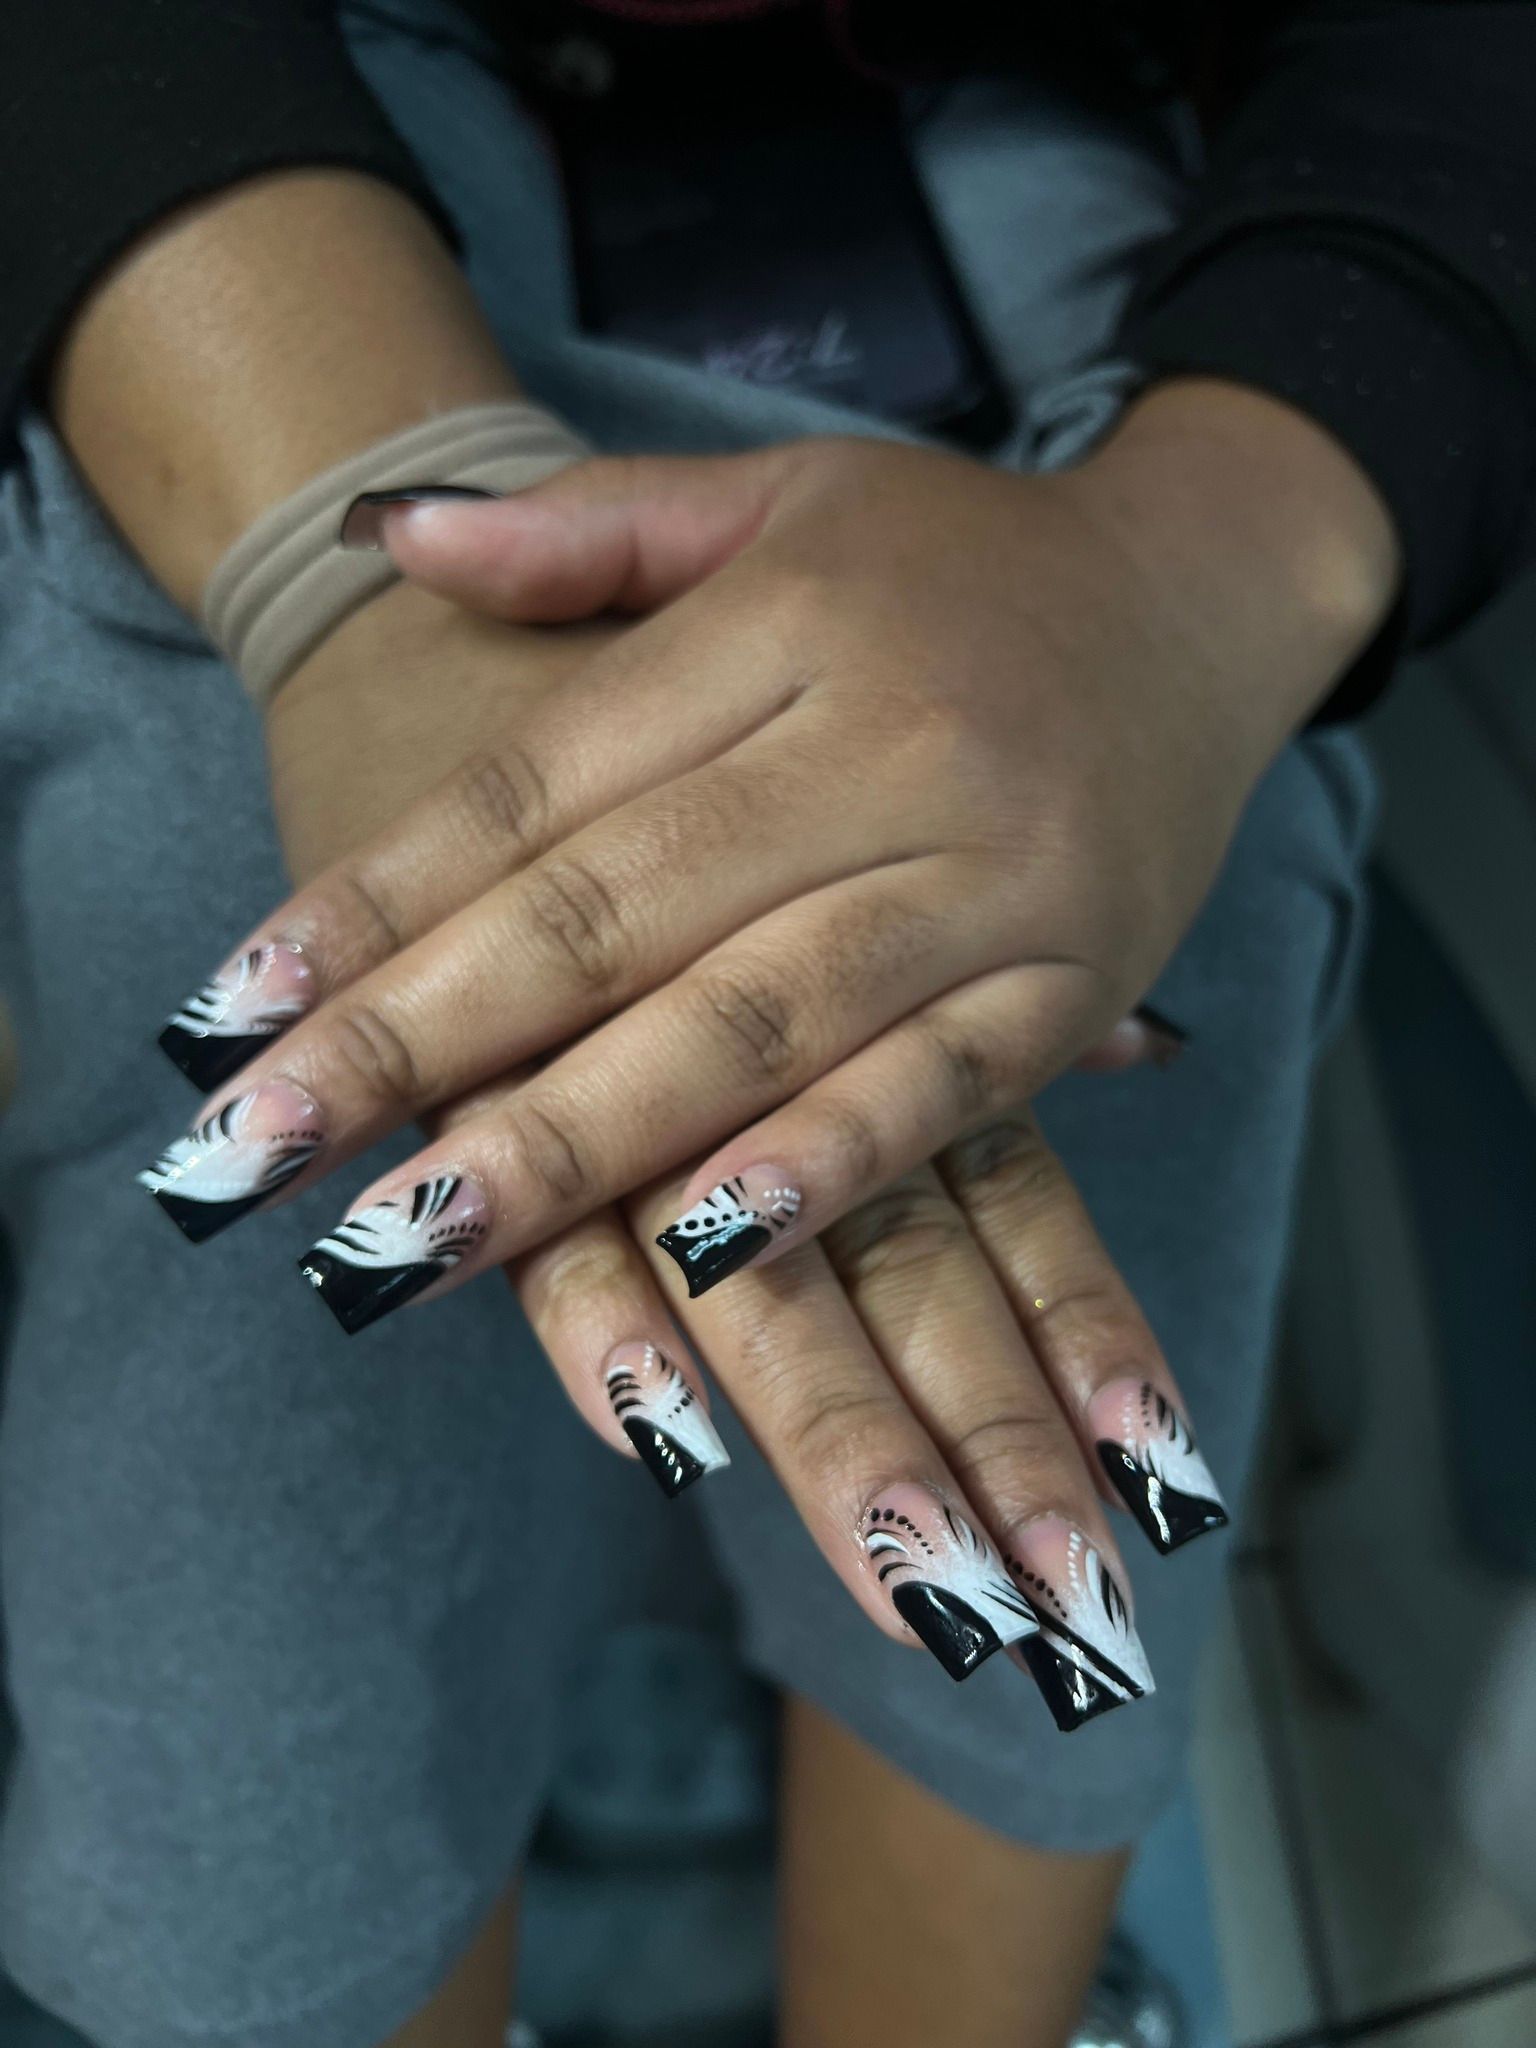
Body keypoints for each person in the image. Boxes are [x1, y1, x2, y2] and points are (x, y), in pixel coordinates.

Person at [0, 4, 1530, 2047]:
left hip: (1055, 98)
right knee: (259, 920)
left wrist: (1194, 577)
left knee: (1098, 937)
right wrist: (343, 554)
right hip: (259, 99)